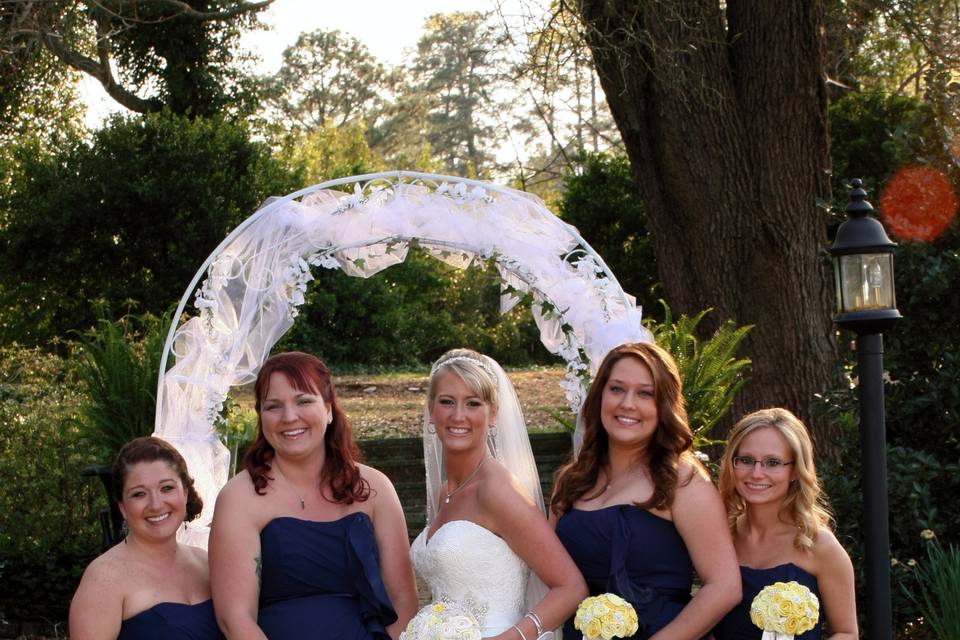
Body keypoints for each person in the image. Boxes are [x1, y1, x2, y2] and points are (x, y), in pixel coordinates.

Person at [208, 351, 417, 639]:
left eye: (304, 401)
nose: (289, 417)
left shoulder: (375, 488)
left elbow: (404, 601)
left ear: (329, 409)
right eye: (273, 406)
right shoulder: (239, 498)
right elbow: (235, 618)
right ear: (261, 416)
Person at [551, 342, 741, 639]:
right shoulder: (571, 481)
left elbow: (725, 586)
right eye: (616, 389)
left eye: (645, 393)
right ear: (600, 395)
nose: (628, 403)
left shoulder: (683, 480)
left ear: (663, 406)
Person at [412, 348, 587, 639]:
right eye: (447, 402)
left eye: (472, 403)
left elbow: (571, 587)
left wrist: (512, 637)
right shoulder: (446, 491)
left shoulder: (498, 490)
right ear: (431, 411)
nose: (458, 415)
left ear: (493, 413)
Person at [712, 408, 857, 640]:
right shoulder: (720, 537)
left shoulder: (819, 545)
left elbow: (846, 633)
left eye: (773, 462)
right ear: (732, 464)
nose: (757, 473)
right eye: (746, 460)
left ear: (795, 471)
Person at [69, 436, 224, 640]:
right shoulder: (104, 579)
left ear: (185, 493)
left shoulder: (206, 563)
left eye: (167, 488)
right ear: (122, 508)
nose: (156, 504)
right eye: (139, 494)